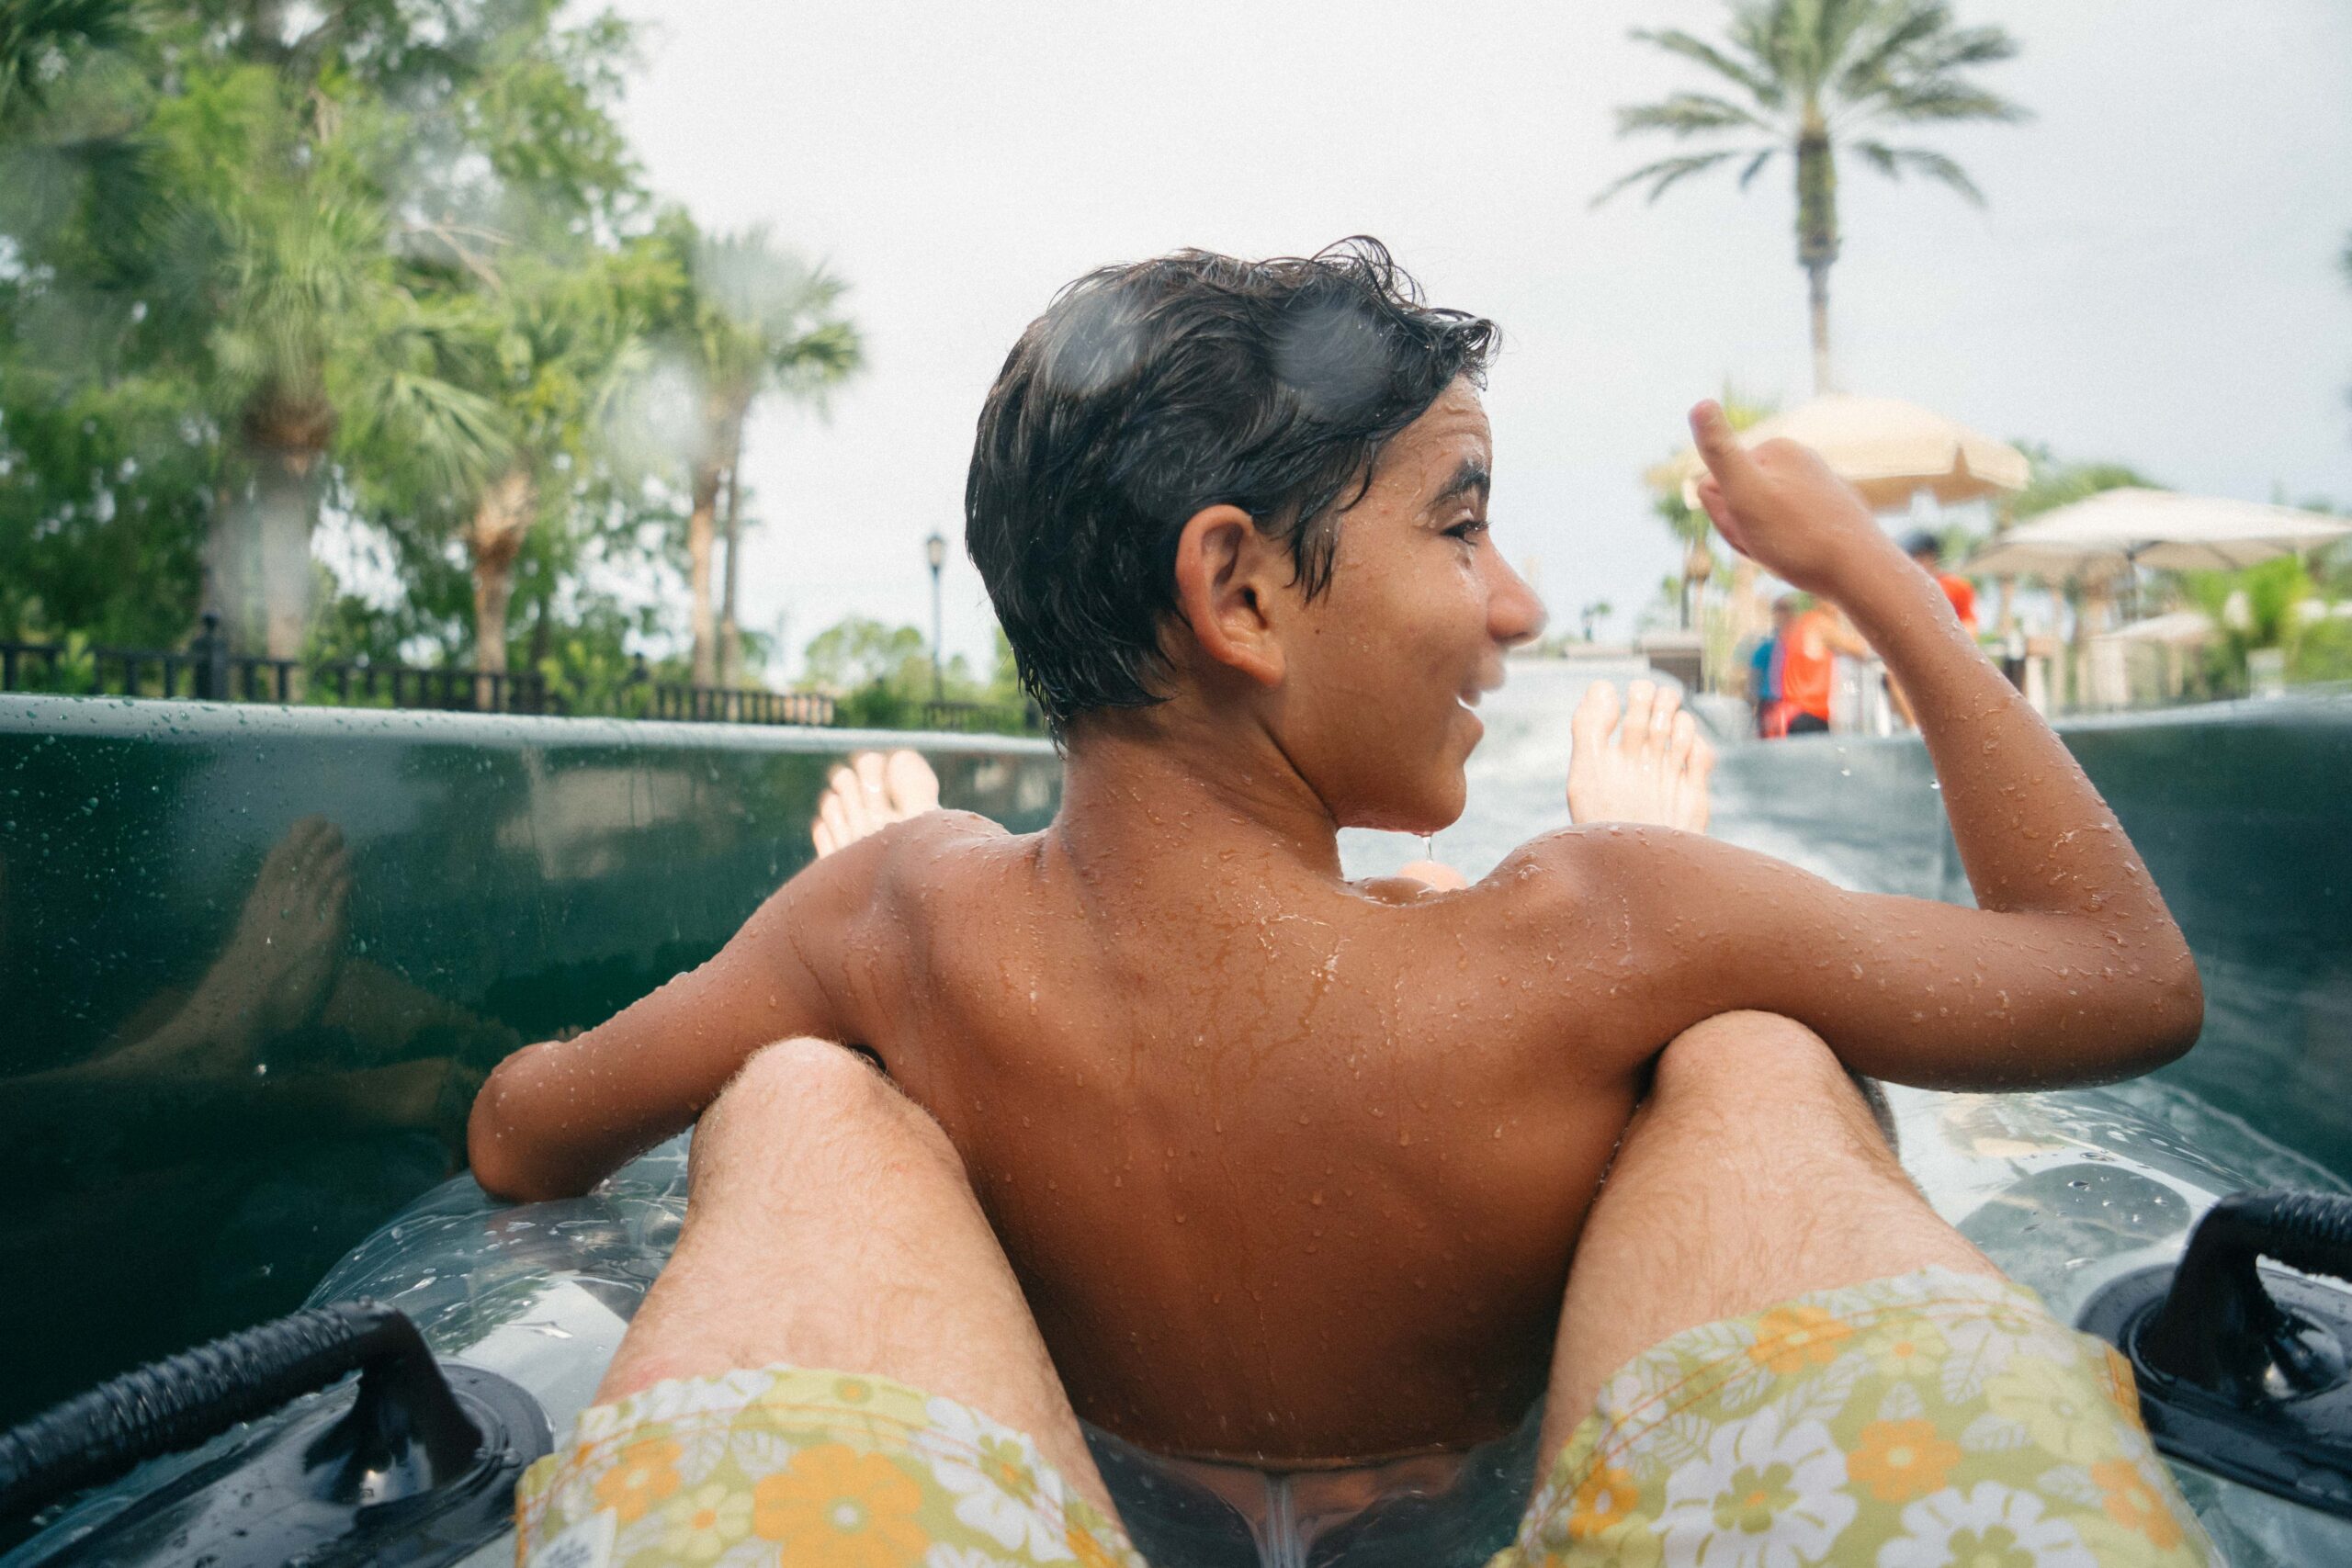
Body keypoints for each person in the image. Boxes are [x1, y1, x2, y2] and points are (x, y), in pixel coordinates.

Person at [470, 243, 2210, 1562]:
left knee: (802, 1093)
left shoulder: (896, 926)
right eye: (1462, 530)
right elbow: (2124, 976)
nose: (1517, 609)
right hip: (1522, 1465)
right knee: (1749, 1052)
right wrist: (1867, 576)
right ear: (1239, 593)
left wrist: (823, 994)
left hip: (1037, 1457)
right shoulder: (1600, 932)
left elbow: (524, 1135)